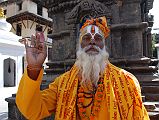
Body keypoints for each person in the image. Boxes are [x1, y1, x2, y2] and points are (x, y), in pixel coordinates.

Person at [16, 16, 150, 120]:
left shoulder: (127, 81)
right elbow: (32, 110)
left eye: (98, 38)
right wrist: (34, 68)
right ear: (79, 45)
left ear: (105, 45)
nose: (92, 41)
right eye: (86, 38)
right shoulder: (62, 84)